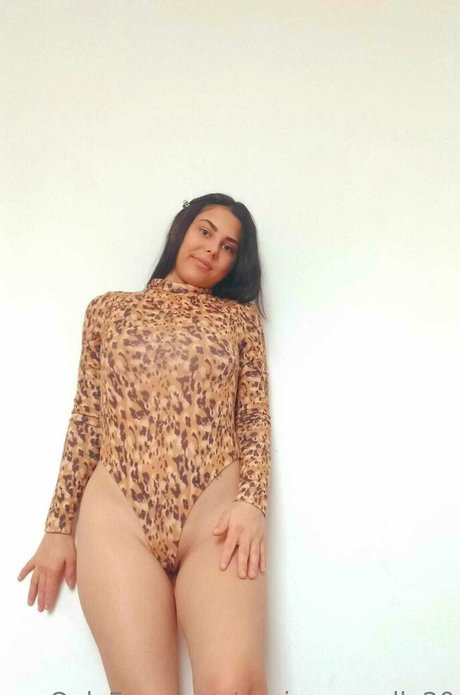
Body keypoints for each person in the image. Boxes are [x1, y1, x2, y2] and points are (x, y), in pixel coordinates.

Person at [17, 192, 272, 695]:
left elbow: (254, 416)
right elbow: (88, 416)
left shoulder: (239, 321)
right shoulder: (108, 310)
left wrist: (253, 502)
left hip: (215, 517)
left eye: (229, 247)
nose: (213, 249)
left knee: (233, 684)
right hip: (118, 517)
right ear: (181, 230)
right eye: (205, 231)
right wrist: (57, 527)